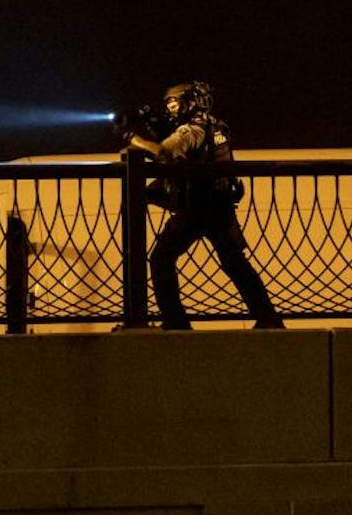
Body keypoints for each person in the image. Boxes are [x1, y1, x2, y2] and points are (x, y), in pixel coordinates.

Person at [122, 81, 284, 330]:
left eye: (175, 103)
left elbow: (164, 153)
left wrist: (134, 140)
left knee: (161, 258)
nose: (172, 109)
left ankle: (176, 321)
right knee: (235, 263)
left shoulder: (191, 130)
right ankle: (268, 318)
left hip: (196, 206)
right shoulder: (217, 126)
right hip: (220, 205)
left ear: (190, 102)